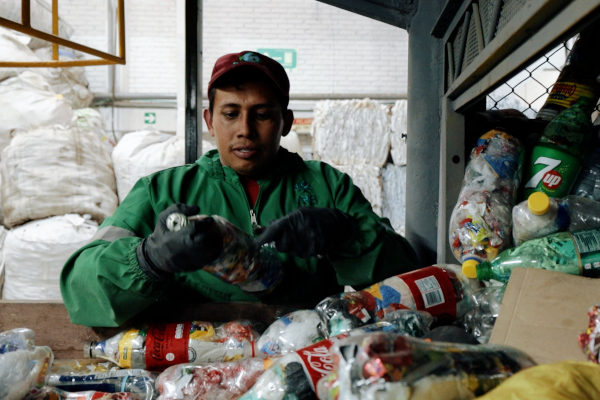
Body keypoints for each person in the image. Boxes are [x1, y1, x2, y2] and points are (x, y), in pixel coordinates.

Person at [60, 50, 420, 327]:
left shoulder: (327, 185)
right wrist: (148, 259)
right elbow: (80, 288)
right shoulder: (162, 190)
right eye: (230, 113)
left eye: (262, 114)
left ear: (286, 122)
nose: (245, 129)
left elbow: (406, 279)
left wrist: (345, 234)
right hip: (193, 361)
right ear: (210, 121)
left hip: (303, 356)